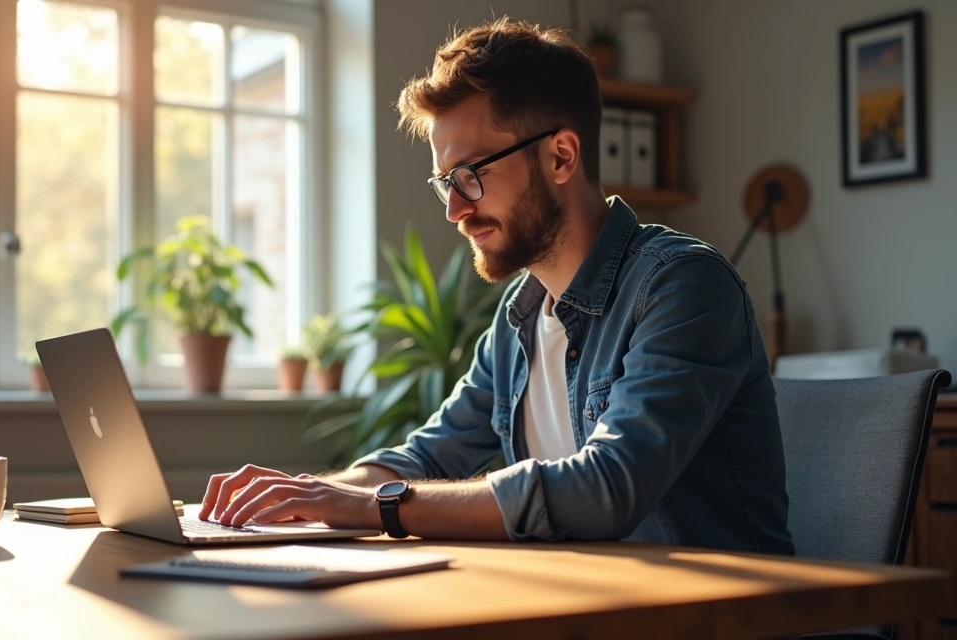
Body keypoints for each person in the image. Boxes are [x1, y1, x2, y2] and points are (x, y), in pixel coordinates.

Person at [199, 18, 794, 554]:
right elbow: (427, 456)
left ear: (561, 157)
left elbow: (608, 487)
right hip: (581, 610)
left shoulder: (683, 286)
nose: (454, 210)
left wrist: (375, 507)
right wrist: (306, 494)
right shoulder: (521, 315)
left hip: (722, 618)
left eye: (470, 174)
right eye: (445, 182)